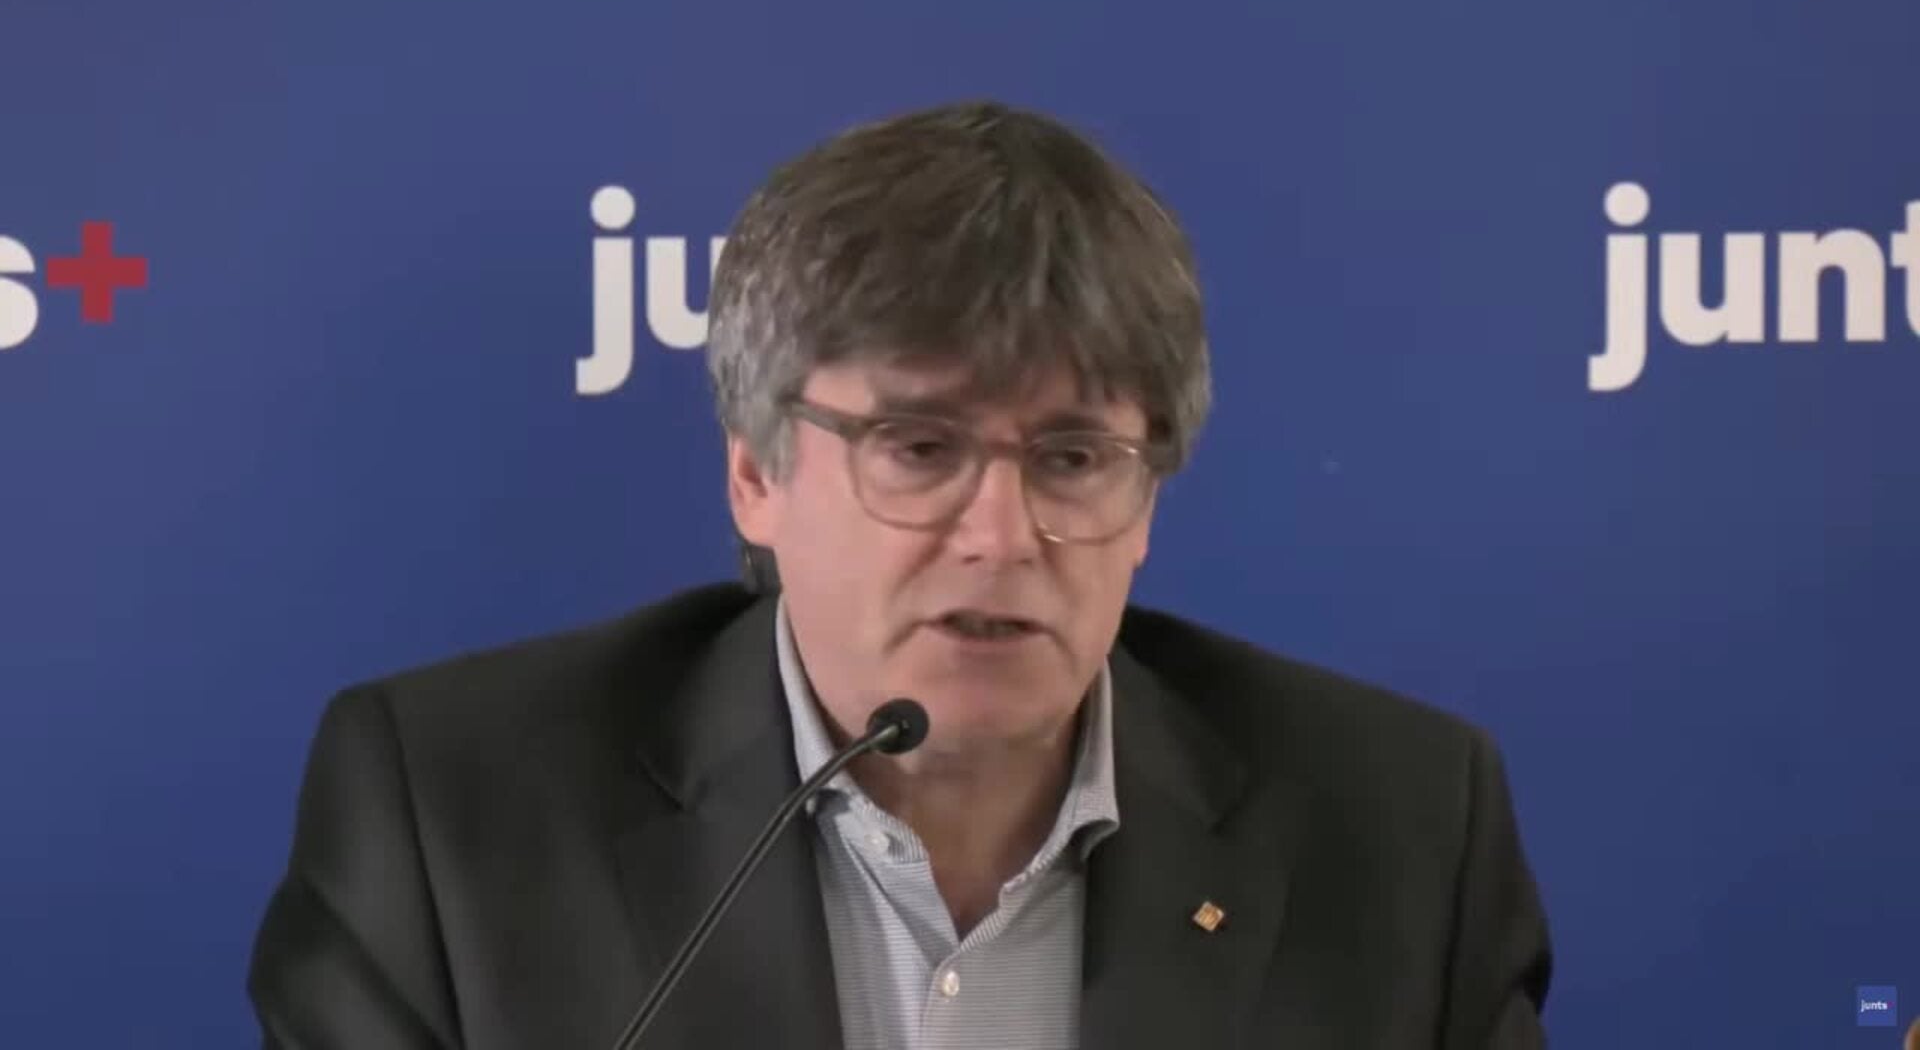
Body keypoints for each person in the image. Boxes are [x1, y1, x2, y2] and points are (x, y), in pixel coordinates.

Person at [247, 101, 1552, 1049]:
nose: (1001, 535)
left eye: (1073, 458)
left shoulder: (1400, 835)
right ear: (755, 474)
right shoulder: (450, 826)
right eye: (920, 449)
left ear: (1149, 497)